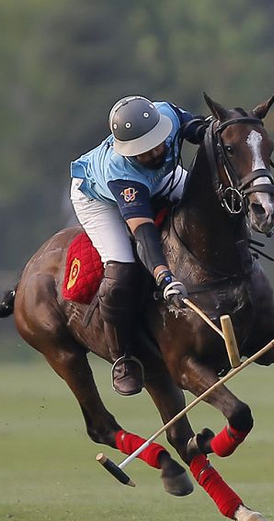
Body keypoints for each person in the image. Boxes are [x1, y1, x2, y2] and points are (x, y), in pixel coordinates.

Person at [69, 95, 208, 396]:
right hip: (96, 198)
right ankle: (123, 357)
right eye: (144, 151)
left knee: (207, 205)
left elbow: (200, 130)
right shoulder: (122, 173)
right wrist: (164, 276)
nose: (156, 151)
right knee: (123, 271)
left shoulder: (166, 114)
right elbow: (143, 233)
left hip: (162, 180)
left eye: (158, 143)